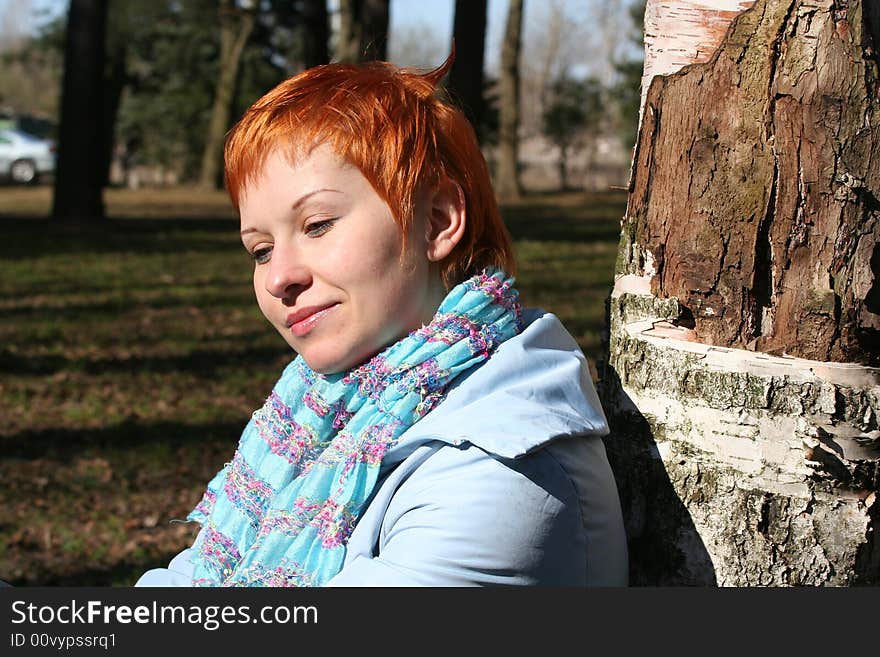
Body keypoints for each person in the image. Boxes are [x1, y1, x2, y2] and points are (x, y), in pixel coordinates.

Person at [135, 52, 627, 587]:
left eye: (317, 225)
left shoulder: (498, 467)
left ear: (438, 220)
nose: (278, 277)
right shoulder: (309, 420)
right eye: (259, 249)